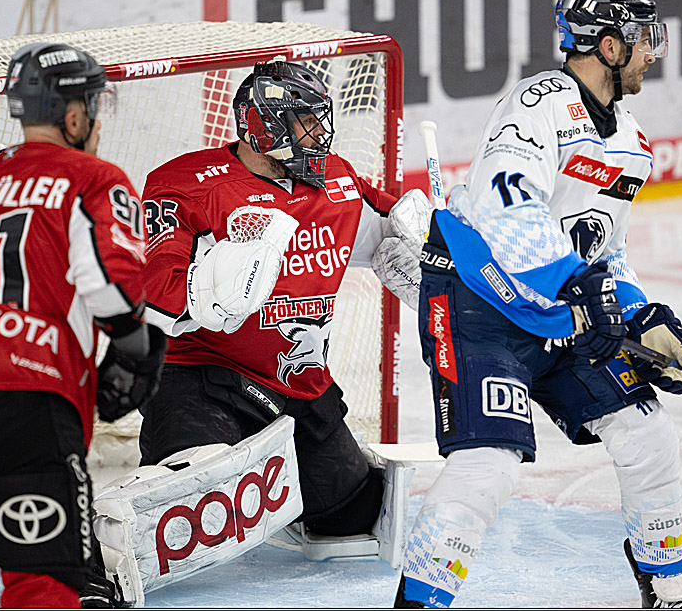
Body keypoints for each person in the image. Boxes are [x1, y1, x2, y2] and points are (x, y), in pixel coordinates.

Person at [393, 0, 682, 609]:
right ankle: (419, 603)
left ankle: (670, 588)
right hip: (477, 303)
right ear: (608, 47)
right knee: (490, 466)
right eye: (641, 37)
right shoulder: (539, 103)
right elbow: (508, 209)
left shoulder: (632, 143)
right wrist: (582, 287)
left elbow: (606, 249)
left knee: (648, 433)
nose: (653, 50)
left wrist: (643, 313)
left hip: (559, 314)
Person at [84, 58, 429, 599]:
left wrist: (424, 252)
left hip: (299, 387)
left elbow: (392, 230)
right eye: (302, 122)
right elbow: (153, 289)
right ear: (261, 123)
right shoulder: (187, 184)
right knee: (186, 499)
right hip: (202, 375)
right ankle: (90, 554)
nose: (319, 135)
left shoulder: (336, 178)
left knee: (352, 517)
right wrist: (206, 293)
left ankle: (279, 481)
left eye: (320, 120)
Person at [0, 42, 166, 608]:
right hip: (22, 413)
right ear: (72, 116)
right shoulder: (92, 177)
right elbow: (111, 289)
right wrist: (136, 347)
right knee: (44, 585)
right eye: (92, 106)